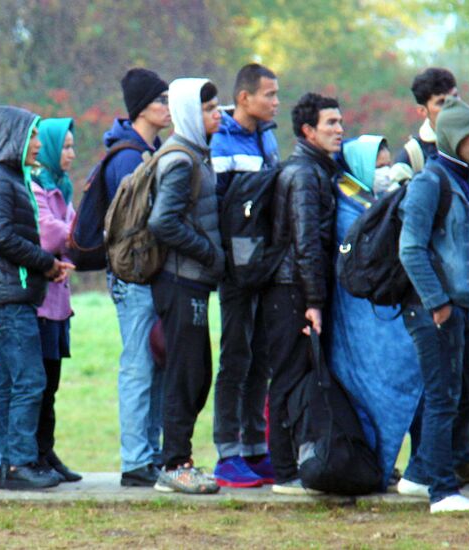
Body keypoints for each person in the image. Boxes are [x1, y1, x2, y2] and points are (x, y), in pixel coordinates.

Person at [398, 97, 469, 513]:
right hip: (435, 310)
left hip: (466, 307)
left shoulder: (468, 179)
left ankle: (420, 474)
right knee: (443, 398)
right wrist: (438, 303)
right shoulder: (431, 181)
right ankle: (441, 491)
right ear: (454, 137)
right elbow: (411, 248)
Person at [0, 105, 73, 491]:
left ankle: (10, 464)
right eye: (31, 136)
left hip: (13, 292)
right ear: (14, 138)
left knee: (13, 382)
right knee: (29, 379)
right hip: (8, 296)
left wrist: (46, 266)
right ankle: (20, 464)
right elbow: (0, 236)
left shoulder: (12, 178)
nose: (36, 145)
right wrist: (45, 263)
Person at [328, 135, 422, 489]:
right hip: (356, 322)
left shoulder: (378, 204)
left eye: (387, 164)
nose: (384, 172)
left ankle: (382, 466)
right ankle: (370, 466)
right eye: (377, 165)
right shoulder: (345, 205)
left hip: (384, 321)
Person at [147, 77, 224, 495]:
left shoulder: (198, 154)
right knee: (186, 374)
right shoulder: (180, 160)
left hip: (192, 282)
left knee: (195, 374)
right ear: (191, 113)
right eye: (210, 109)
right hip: (180, 281)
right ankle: (174, 465)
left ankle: (179, 459)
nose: (217, 115)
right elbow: (163, 221)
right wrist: (208, 253)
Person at [264, 92, 342, 496]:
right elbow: (306, 242)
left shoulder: (317, 170)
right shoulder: (304, 175)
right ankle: (284, 473)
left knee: (296, 378)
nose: (339, 130)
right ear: (308, 130)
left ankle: (294, 464)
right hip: (290, 292)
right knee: (288, 380)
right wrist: (314, 302)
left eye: (340, 122)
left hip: (295, 290)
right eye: (330, 123)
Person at [209, 63, 281, 488]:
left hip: (266, 266)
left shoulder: (267, 137)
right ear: (244, 98)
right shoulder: (221, 142)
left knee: (261, 358)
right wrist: (228, 264)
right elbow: (218, 211)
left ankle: (256, 449)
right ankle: (227, 454)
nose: (275, 102)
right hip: (235, 271)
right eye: (269, 95)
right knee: (235, 357)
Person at [105, 68, 171, 487]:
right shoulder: (129, 157)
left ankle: (150, 453)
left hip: (150, 279)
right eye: (161, 100)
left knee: (154, 367)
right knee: (137, 368)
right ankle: (135, 461)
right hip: (134, 279)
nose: (167, 107)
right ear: (141, 108)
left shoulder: (151, 149)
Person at [30, 117, 81, 483]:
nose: (71, 154)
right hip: (40, 304)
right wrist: (79, 239)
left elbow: (73, 235)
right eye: (64, 147)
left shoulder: (62, 187)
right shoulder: (35, 187)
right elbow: (50, 235)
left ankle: (47, 451)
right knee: (40, 385)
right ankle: (34, 454)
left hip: (59, 306)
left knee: (53, 384)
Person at [391, 68, 458, 183]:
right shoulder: (411, 156)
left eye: (455, 97)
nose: (452, 106)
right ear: (422, 110)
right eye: (441, 102)